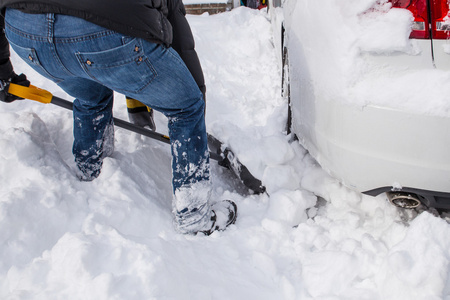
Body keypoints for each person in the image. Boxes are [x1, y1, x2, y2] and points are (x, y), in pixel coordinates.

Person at [0, 0, 237, 235]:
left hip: (26, 29)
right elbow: (179, 36)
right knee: (186, 107)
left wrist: (2, 72)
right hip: (102, 30)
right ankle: (193, 215)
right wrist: (192, 100)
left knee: (91, 96)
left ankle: (91, 169)